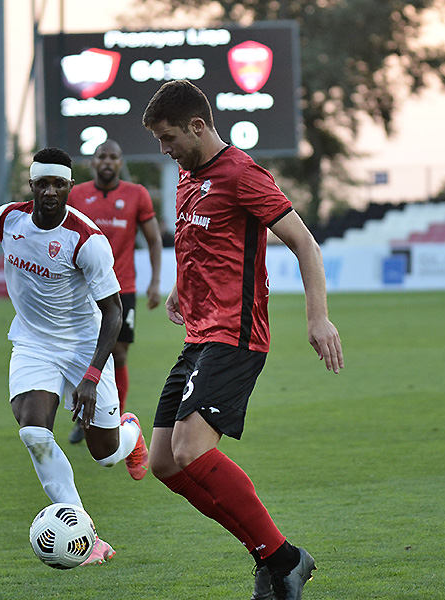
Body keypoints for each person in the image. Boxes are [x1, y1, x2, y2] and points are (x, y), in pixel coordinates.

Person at [141, 80, 344, 600]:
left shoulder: (242, 173)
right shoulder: (188, 179)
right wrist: (181, 291)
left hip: (236, 334)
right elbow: (197, 243)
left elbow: (304, 243)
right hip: (199, 336)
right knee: (163, 461)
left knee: (190, 450)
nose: (165, 151)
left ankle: (283, 559)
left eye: (169, 139)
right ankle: (270, 556)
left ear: (198, 126)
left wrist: (317, 318)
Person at [0, 147, 149, 566]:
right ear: (31, 186)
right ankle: (86, 533)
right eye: (42, 184)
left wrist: (91, 375)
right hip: (33, 343)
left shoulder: (87, 240)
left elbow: (114, 311)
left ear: (69, 187)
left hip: (85, 346)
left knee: (104, 453)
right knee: (33, 433)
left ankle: (131, 433)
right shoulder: (9, 218)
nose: (50, 192)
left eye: (59, 185)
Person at [66, 139, 163, 443]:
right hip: (82, 288)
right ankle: (83, 418)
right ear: (93, 162)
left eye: (114, 157)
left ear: (121, 163)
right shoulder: (77, 194)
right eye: (102, 157)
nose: (108, 162)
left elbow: (154, 240)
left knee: (118, 353)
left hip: (123, 288)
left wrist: (156, 282)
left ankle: (113, 420)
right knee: (79, 354)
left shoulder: (137, 195)